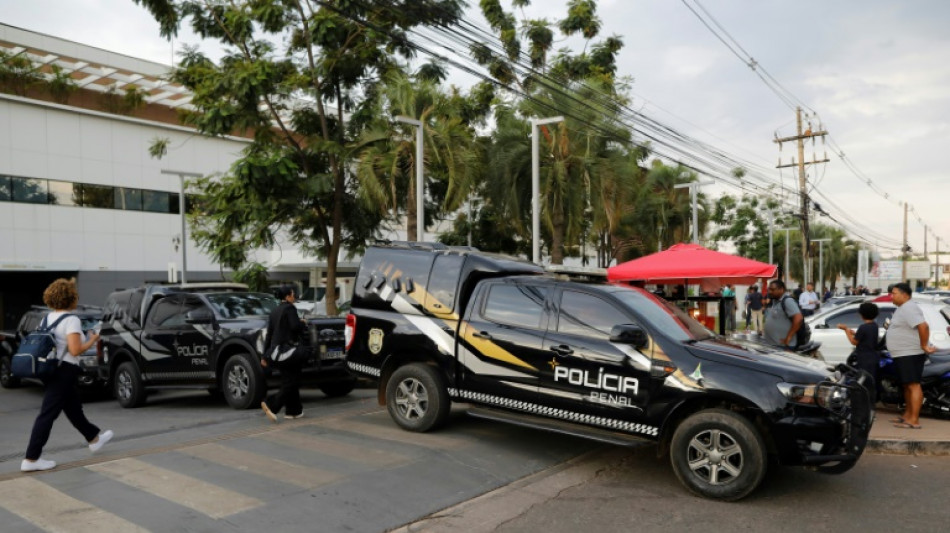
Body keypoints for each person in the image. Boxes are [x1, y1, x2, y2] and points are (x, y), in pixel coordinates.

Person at [22, 279, 113, 472]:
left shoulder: (46, 318)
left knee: (73, 409)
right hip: (64, 371)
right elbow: (75, 350)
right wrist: (92, 339)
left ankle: (94, 439)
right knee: (47, 414)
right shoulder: (71, 320)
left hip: (51, 369)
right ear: (70, 298)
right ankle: (31, 459)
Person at [886, 283, 936, 429]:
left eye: (894, 293)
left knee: (913, 385)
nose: (891, 296)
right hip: (903, 353)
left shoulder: (910, 307)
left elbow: (923, 326)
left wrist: (924, 345)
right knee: (907, 385)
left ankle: (914, 420)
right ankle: (907, 416)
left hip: (910, 353)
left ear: (905, 295)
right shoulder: (903, 308)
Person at [261, 285, 307, 423]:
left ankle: (294, 411)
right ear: (287, 297)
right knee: (293, 381)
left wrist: (264, 356)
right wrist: (302, 323)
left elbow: (269, 335)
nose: (295, 296)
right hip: (288, 351)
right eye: (293, 294)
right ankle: (272, 404)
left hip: (275, 352)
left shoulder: (274, 311)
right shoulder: (290, 308)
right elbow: (295, 327)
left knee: (289, 379)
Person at [837, 302, 881, 402]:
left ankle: (862, 401)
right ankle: (871, 400)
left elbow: (854, 341)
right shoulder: (874, 326)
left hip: (864, 357)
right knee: (871, 380)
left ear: (862, 314)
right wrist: (853, 333)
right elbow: (866, 337)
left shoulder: (863, 327)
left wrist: (846, 330)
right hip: (873, 357)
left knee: (862, 380)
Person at [764, 280, 803, 349]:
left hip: (784, 346)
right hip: (773, 345)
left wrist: (788, 337)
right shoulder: (774, 301)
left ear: (781, 289)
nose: (769, 292)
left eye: (772, 289)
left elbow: (798, 319)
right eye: (769, 289)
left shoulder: (787, 301)